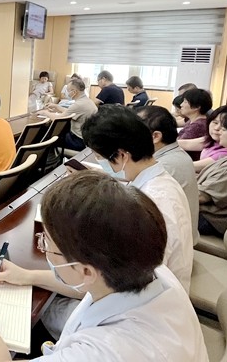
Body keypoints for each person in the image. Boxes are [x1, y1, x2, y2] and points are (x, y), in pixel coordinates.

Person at [0, 171, 213, 362]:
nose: (44, 249)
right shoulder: (151, 271)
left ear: (86, 270)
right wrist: (27, 276)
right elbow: (88, 285)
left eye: (47, 244)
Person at [81, 106, 193, 291]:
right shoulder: (159, 180)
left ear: (122, 155)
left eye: (99, 156)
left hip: (148, 297)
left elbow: (123, 282)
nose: (98, 161)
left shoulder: (151, 203)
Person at [136, 105, 199, 243]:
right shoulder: (175, 154)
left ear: (155, 136)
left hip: (169, 244)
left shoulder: (164, 166)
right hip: (178, 237)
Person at [39, 77, 97, 151]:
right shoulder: (88, 101)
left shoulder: (78, 104)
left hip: (77, 141)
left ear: (74, 92)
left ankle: (43, 156)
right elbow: (70, 112)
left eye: (68, 91)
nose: (67, 93)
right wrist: (56, 106)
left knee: (46, 136)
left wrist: (45, 112)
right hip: (87, 140)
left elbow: (58, 119)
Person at [193, 105, 227, 173]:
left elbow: (192, 166)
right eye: (215, 122)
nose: (216, 128)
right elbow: (186, 144)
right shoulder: (214, 141)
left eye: (224, 126)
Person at [176, 88, 214, 159]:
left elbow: (178, 145)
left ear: (197, 107)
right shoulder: (191, 121)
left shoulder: (198, 125)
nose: (181, 105)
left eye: (185, 102)